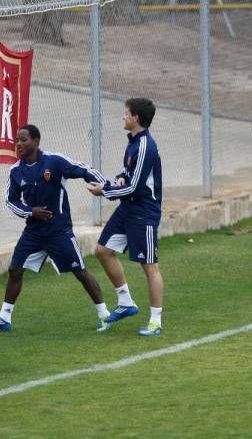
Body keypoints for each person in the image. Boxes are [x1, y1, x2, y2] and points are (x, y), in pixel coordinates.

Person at [0, 124, 112, 332]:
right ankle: (4, 317)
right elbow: (11, 201)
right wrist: (30, 212)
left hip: (58, 230)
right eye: (17, 140)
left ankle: (105, 315)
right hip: (33, 232)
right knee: (15, 270)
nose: (19, 144)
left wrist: (104, 185)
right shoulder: (16, 171)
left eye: (24, 140)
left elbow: (84, 170)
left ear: (36, 141)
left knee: (79, 271)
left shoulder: (54, 162)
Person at [87, 98, 164, 336]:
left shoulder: (145, 146)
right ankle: (126, 303)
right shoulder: (133, 142)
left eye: (126, 113)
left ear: (136, 118)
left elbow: (135, 188)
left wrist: (106, 190)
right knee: (102, 250)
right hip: (127, 209)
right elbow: (130, 176)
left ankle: (155, 321)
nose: (123, 117)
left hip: (143, 212)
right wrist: (120, 177)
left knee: (149, 267)